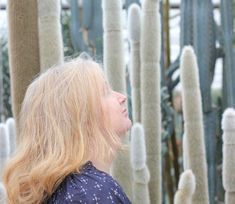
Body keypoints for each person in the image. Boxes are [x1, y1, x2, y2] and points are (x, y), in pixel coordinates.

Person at [3, 55, 132, 204]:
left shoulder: (63, 191)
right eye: (105, 92)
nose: (122, 97)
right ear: (81, 117)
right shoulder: (91, 193)